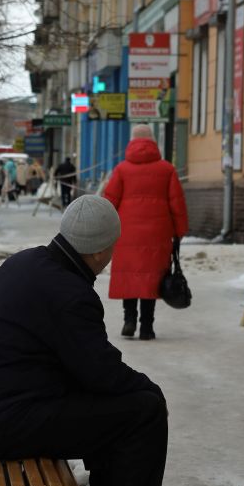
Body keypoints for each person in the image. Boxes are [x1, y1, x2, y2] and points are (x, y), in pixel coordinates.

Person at [0, 194, 182, 486]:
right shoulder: (70, 292)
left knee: (114, 409)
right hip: (12, 421)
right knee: (143, 412)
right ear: (101, 251)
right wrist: (148, 389)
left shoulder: (24, 263)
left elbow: (84, 367)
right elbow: (100, 372)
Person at [103, 124, 188, 340]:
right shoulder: (167, 169)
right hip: (157, 233)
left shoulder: (122, 169)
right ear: (153, 142)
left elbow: (109, 201)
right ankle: (147, 327)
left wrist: (103, 226)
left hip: (126, 232)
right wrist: (180, 231)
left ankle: (129, 320)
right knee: (152, 279)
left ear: (132, 142)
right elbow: (177, 203)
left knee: (129, 277)